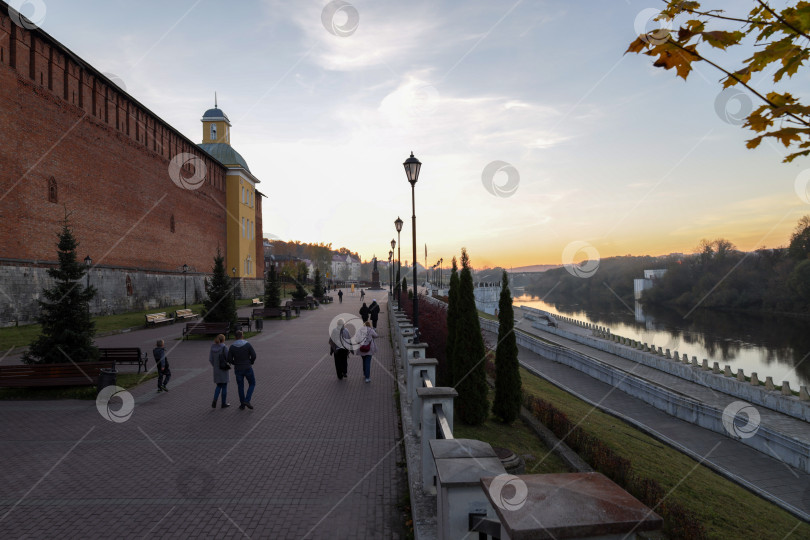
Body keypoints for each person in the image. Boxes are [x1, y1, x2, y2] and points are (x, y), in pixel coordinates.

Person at [227, 330, 257, 410]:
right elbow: (254, 355)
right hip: (247, 367)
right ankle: (247, 400)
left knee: (240, 387)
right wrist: (251, 361)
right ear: (242, 336)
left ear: (235, 337)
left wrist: (235, 363)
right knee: (252, 383)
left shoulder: (232, 347)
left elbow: (229, 359)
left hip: (238, 369)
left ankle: (242, 404)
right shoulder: (247, 345)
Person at [209, 334, 230, 408]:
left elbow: (210, 359)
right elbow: (228, 358)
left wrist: (215, 366)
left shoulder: (212, 347)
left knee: (218, 386)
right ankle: (223, 403)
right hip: (223, 369)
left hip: (216, 370)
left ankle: (215, 400)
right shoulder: (224, 347)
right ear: (223, 340)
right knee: (224, 386)